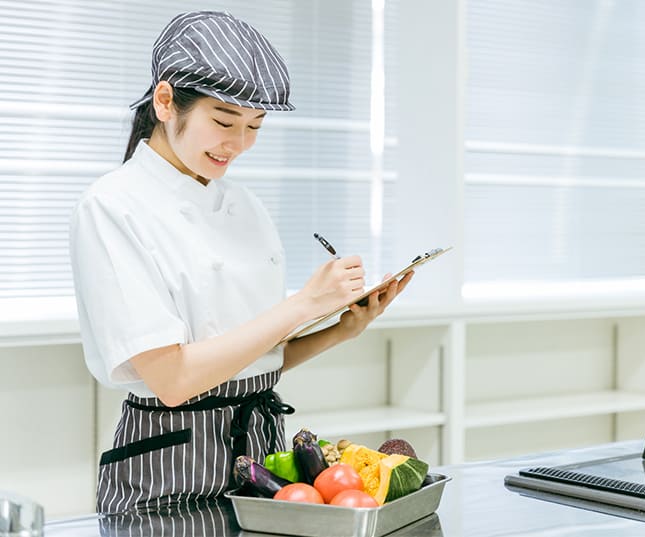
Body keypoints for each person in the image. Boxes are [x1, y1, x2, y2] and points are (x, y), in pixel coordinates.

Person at [69, 10, 412, 515]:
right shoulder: (112, 206)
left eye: (255, 125)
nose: (240, 143)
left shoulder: (246, 206)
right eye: (224, 122)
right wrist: (303, 305)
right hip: (168, 467)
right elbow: (174, 381)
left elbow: (252, 363)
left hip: (263, 451)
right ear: (166, 101)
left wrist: (340, 328)